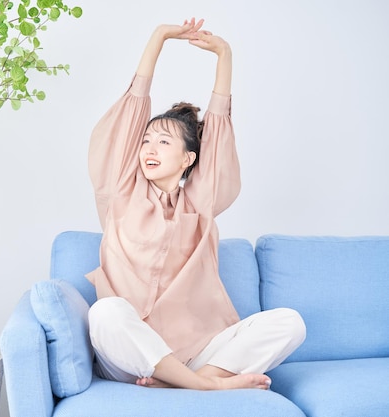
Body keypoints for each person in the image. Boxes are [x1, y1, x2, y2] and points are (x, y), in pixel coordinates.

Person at [86, 18, 306, 391]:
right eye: (147, 141)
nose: (149, 149)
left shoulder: (199, 204)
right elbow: (132, 110)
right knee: (106, 312)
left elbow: (218, 130)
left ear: (188, 159)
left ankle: (183, 381)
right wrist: (159, 37)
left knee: (290, 322)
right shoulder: (120, 190)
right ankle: (209, 386)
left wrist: (225, 55)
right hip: (132, 357)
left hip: (195, 351)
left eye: (164, 143)